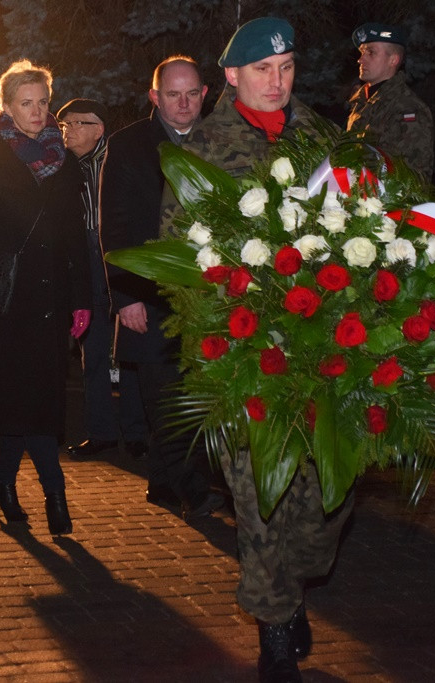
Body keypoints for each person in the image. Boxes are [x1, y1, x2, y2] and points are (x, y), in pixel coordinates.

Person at [182, 18, 351, 682]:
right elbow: (180, 249)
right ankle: (276, 625)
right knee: (261, 496)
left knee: (327, 503)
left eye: (286, 69)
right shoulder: (203, 147)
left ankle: (297, 580)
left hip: (325, 346)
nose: (277, 83)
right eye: (261, 70)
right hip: (245, 351)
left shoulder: (321, 136)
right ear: (231, 75)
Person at [0, 59, 91, 535]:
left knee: (35, 401)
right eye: (26, 104)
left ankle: (6, 484)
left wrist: (83, 298)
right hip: (5, 296)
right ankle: (55, 495)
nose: (37, 112)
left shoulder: (65, 159)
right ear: (7, 107)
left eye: (43, 103)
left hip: (52, 296)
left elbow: (76, 238)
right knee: (24, 401)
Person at [99, 55, 223, 520]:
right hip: (150, 296)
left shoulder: (218, 141)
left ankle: (166, 485)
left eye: (193, 93)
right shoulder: (129, 145)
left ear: (205, 94)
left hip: (209, 296)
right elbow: (115, 226)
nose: (184, 103)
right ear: (155, 97)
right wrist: (125, 297)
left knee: (195, 399)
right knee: (165, 400)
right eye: (173, 94)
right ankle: (196, 489)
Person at [57, 98, 147, 460]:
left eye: (76, 124)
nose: (68, 131)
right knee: (91, 348)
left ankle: (137, 432)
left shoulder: (120, 158)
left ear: (98, 128)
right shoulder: (65, 167)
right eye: (64, 125)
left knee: (130, 347)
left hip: (121, 255)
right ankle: (102, 432)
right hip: (85, 259)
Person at [346, 22, 434, 179]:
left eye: (371, 53)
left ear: (393, 60)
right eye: (361, 53)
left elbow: (413, 177)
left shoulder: (409, 108)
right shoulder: (361, 102)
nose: (360, 60)